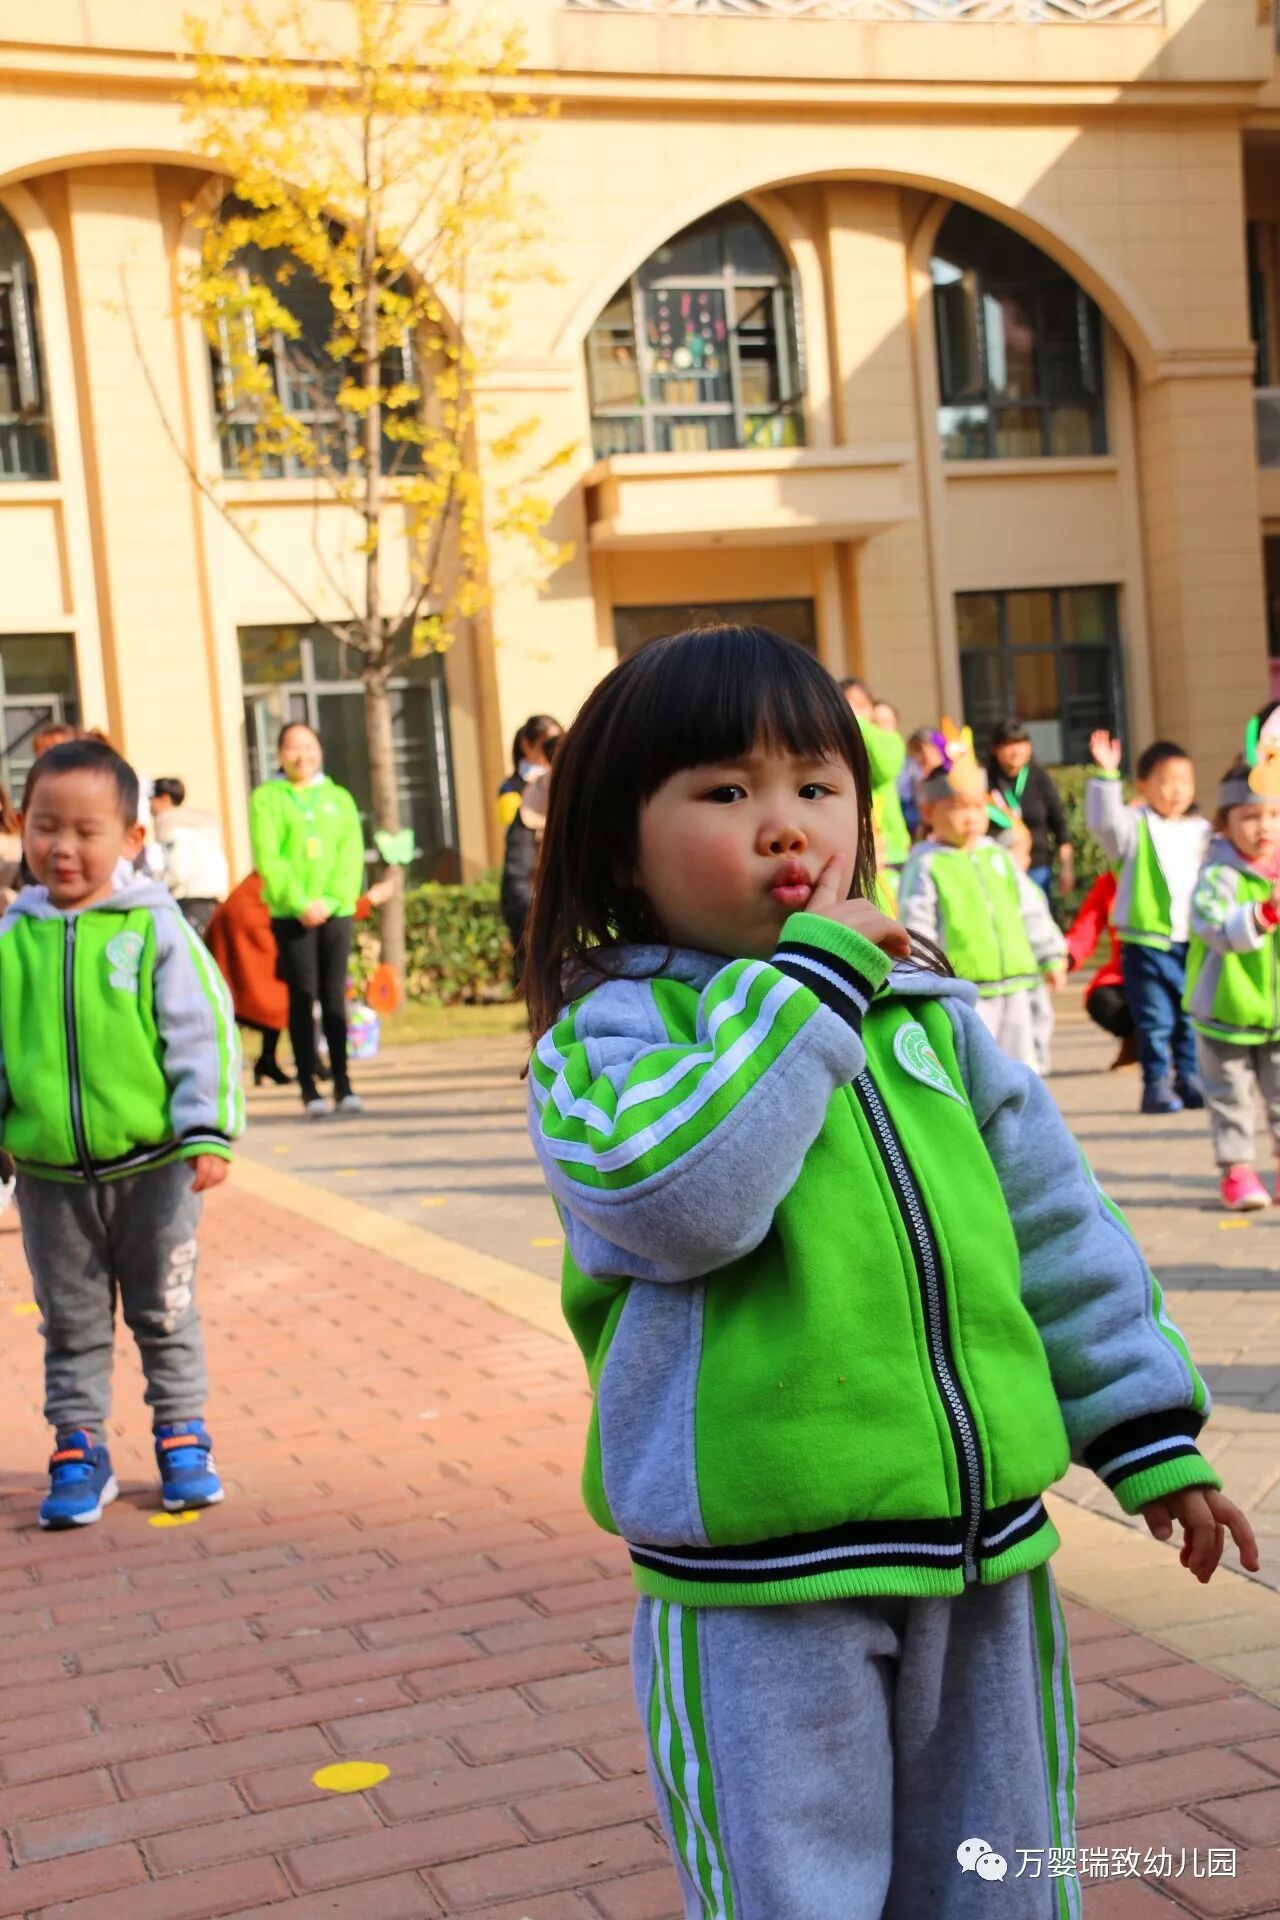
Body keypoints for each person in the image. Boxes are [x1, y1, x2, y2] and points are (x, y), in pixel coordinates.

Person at [521, 623, 1256, 1920]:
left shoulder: (927, 1025)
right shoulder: (612, 1042)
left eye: (817, 786)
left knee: (999, 1879)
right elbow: (681, 1207)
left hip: (984, 1565)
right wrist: (805, 992)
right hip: (763, 1591)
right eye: (724, 792)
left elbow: (1055, 1230)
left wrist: (1145, 1430)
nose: (785, 826)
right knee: (794, 1895)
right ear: (619, 845)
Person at [0, 738, 242, 1528]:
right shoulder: (13, 939)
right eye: (45, 827)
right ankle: (79, 1447)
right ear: (22, 827)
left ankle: (182, 1436)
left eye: (86, 830)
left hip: (156, 1169)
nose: (62, 847)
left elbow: (201, 1029)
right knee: (69, 1321)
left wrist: (207, 1129)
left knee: (163, 1309)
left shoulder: (154, 928)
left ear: (132, 838)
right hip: (50, 1179)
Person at [898, 743, 1066, 1071]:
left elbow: (1030, 908)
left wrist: (1050, 955)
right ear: (928, 812)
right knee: (979, 1071)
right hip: (967, 993)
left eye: (978, 806)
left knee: (1025, 1070)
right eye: (958, 807)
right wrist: (925, 981)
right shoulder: (927, 865)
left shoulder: (998, 857)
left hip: (1018, 984)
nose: (972, 817)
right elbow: (917, 928)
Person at [1086, 732, 1210, 1114]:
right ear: (1143, 785)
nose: (1177, 790)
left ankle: (1189, 1078)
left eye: (1185, 781)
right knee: (1155, 1019)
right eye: (1166, 781)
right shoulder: (1134, 826)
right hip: (1145, 945)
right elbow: (1103, 822)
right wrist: (1107, 776)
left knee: (1190, 1017)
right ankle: (1156, 1084)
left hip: (1192, 942)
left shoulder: (1201, 830)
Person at [249, 722, 365, 1119]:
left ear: (320, 749)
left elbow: (350, 853)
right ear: (280, 754)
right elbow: (269, 856)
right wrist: (300, 902)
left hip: (336, 911)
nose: (302, 755)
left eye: (309, 746)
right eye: (292, 747)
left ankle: (343, 1082)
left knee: (334, 997)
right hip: (291, 913)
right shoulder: (267, 798)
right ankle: (308, 1087)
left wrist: (331, 901)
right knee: (302, 996)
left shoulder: (339, 798)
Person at [1184, 761, 1280, 1212]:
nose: (1264, 826)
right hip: (1225, 1010)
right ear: (1224, 823)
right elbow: (1216, 929)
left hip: (1275, 1015)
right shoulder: (1216, 875)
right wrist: (1265, 912)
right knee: (1230, 1096)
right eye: (1250, 816)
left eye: (1274, 815)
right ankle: (1237, 1170)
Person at [205, 871, 291, 1085]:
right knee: (273, 996)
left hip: (245, 922)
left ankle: (266, 1060)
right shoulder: (276, 873)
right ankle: (261, 1061)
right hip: (248, 927)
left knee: (268, 997)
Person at [985, 719, 1073, 902]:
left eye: (1021, 743)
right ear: (995, 749)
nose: (1016, 750)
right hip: (997, 868)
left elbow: (1060, 827)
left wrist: (1066, 868)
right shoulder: (985, 781)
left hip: (1037, 868)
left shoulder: (1039, 778)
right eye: (1009, 744)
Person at [500, 715, 562, 971]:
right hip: (539, 920)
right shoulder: (520, 796)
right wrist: (545, 921)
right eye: (549, 745)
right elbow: (517, 878)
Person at [1064, 870, 1137, 1069]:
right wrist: (1066, 957)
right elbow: (1087, 926)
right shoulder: (1110, 881)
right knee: (1102, 1001)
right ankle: (1133, 1040)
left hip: (1172, 968)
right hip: (1124, 973)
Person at [839, 677, 910, 870]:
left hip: (891, 849)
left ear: (872, 709)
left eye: (861, 706)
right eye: (847, 706)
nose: (855, 712)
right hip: (855, 849)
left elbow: (885, 767)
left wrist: (860, 724)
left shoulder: (888, 739)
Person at [149, 777, 230, 938]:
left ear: (164, 798)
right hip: (212, 897)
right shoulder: (198, 821)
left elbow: (178, 873)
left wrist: (153, 883)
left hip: (192, 901)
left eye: (151, 799)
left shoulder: (172, 825)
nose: (149, 805)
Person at [497, 715, 561, 832]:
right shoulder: (510, 790)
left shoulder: (563, 781)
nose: (556, 749)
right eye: (548, 744)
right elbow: (515, 836)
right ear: (526, 744)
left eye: (559, 742)